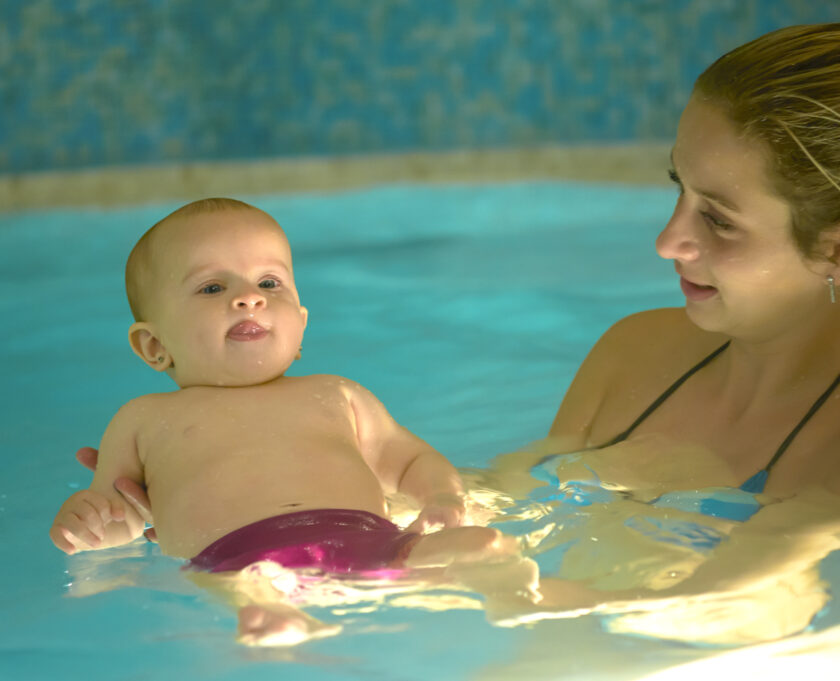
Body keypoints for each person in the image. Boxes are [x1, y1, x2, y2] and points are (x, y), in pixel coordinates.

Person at [73, 23, 840, 641]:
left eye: (719, 219)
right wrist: (221, 476)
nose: (667, 240)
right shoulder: (636, 354)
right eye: (675, 190)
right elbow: (491, 498)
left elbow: (725, 606)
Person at [51, 198, 531, 646]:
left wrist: (443, 498)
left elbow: (411, 462)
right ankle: (268, 613)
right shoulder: (142, 418)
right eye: (213, 287)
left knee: (461, 544)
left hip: (372, 538)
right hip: (237, 557)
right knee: (239, 585)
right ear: (154, 346)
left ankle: (502, 583)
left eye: (269, 283)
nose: (248, 299)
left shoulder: (337, 395)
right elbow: (123, 512)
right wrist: (91, 525)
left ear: (301, 323)